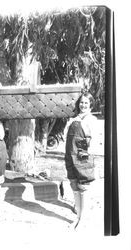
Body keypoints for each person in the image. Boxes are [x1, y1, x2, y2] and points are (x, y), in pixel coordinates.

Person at [64, 92, 97, 230]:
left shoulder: (91, 120)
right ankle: (77, 216)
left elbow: (92, 142)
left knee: (83, 188)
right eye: (81, 102)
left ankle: (82, 219)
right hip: (70, 156)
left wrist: (84, 154)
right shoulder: (73, 119)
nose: (83, 105)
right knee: (74, 185)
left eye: (86, 103)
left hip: (83, 157)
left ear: (90, 105)